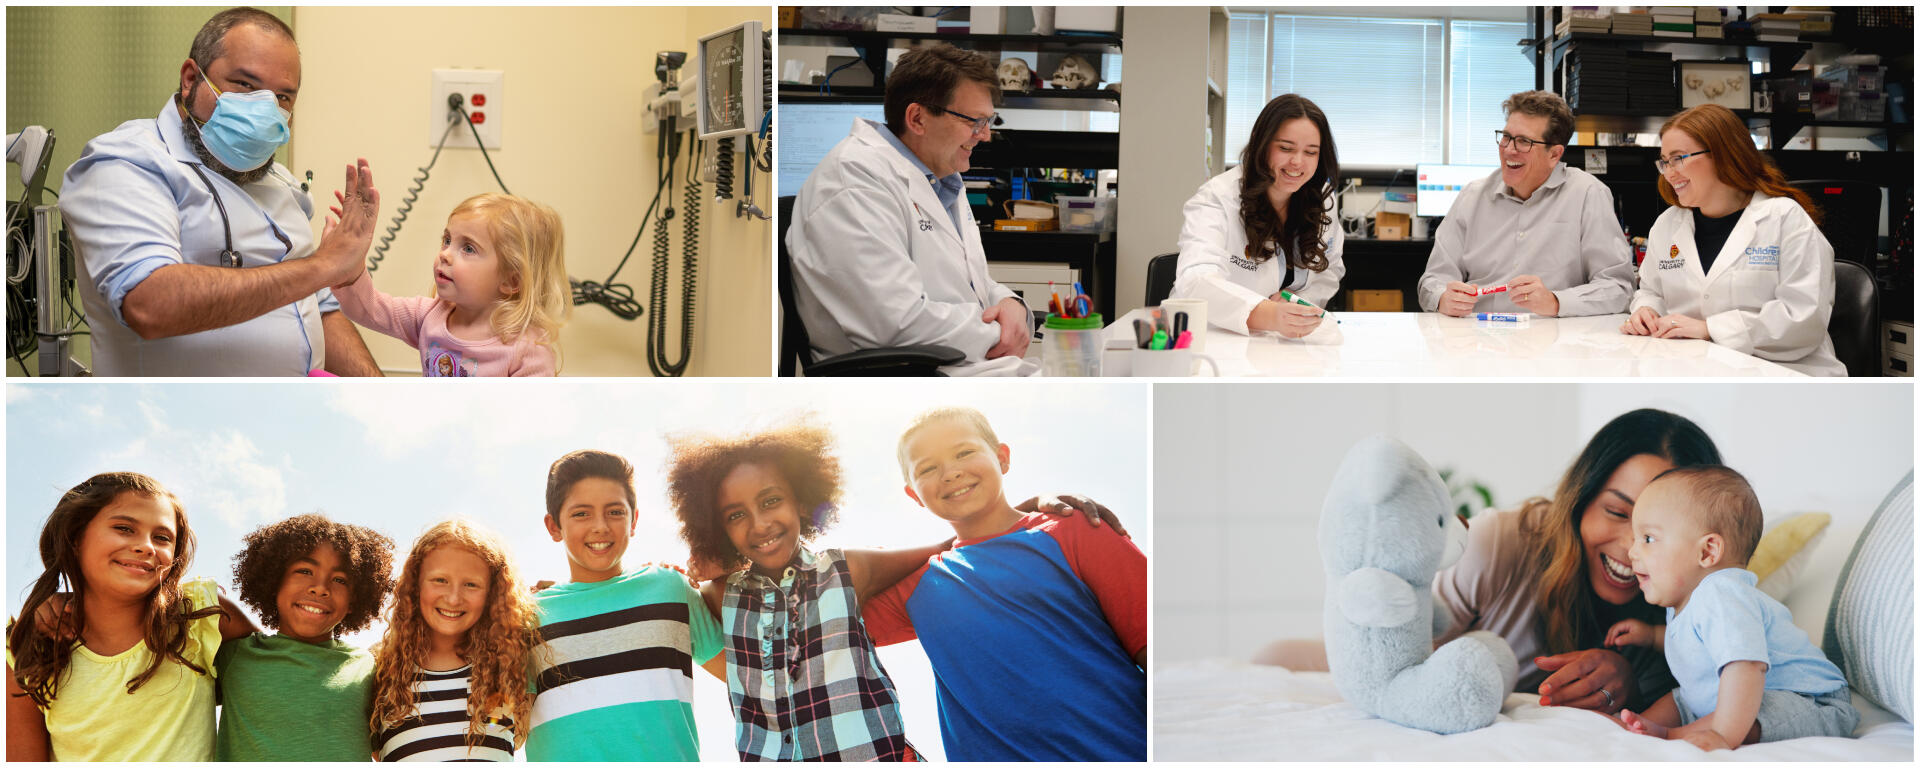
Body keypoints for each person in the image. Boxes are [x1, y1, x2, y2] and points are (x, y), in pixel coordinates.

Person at [665, 417, 1126, 760]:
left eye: (771, 502)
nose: (761, 522)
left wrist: (1026, 511)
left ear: (801, 499)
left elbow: (946, 543)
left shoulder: (847, 570)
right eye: (735, 514)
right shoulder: (718, 598)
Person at [1256, 408, 1723, 717]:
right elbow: (1405, 664)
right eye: (1617, 512)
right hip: (1385, 661)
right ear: (1581, 500)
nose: (1630, 548)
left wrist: (1632, 687)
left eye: (1654, 533)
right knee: (1271, 660)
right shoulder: (1500, 543)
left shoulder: (1703, 610)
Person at [59, 7, 384, 377]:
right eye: (245, 85)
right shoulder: (126, 163)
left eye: (282, 98)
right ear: (190, 78)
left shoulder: (281, 183)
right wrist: (324, 265)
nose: (265, 110)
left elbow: (319, 307)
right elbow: (151, 304)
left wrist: (379, 401)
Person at [862, 407, 1147, 761]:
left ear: (1002, 458)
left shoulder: (1073, 529)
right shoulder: (919, 586)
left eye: (964, 452)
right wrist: (938, 548)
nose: (950, 472)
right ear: (914, 494)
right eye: (927, 468)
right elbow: (800, 592)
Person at [786, 43, 1035, 376]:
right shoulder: (853, 181)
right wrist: (999, 334)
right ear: (918, 118)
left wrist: (1011, 305)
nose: (986, 136)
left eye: (988, 121)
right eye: (975, 121)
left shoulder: (939, 175)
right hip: (910, 379)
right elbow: (896, 323)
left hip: (966, 367)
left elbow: (973, 283)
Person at [4, 473, 252, 761]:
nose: (147, 546)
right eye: (124, 528)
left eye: (162, 538)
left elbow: (283, 665)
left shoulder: (199, 615)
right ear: (75, 538)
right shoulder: (27, 646)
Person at [1609, 466, 1856, 749]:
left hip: (1808, 699)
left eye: (1648, 539)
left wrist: (1724, 735)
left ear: (1707, 551)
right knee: (1684, 698)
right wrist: (1652, 635)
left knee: (1754, 709)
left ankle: (1675, 735)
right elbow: (1701, 646)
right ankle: (1638, 726)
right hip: (1740, 698)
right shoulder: (1689, 600)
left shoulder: (1723, 594)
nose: (1632, 551)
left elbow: (1746, 666)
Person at [524, 450, 724, 761]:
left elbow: (744, 676)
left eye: (615, 511)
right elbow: (507, 725)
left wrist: (723, 570)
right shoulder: (528, 616)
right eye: (581, 514)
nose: (601, 526)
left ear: (634, 520)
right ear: (554, 527)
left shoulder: (669, 588)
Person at [1621, 104, 1843, 376]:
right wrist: (1646, 310)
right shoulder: (1668, 225)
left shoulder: (1785, 219)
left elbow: (1804, 317)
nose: (1669, 173)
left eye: (1678, 158)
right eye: (1665, 161)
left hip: (1785, 375)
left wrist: (1710, 329)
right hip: (1699, 369)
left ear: (1723, 154)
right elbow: (1652, 291)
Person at [1419, 90, 1634, 318]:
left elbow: (1619, 289)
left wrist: (1556, 302)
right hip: (1478, 340)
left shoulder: (1588, 194)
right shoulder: (1471, 197)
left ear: (1554, 154)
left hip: (1555, 343)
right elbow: (1431, 281)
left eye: (1524, 141)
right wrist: (1443, 297)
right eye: (1506, 136)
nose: (1509, 149)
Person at [217, 513, 396, 761]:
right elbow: (206, 602)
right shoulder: (237, 655)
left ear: (355, 600)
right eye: (304, 570)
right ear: (274, 581)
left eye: (339, 580)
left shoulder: (367, 667)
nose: (320, 587)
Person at [332, 194, 570, 376]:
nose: (445, 254)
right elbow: (368, 308)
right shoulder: (430, 315)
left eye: (468, 248)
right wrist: (347, 263)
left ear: (510, 281)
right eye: (446, 240)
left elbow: (535, 414)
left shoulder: (528, 350)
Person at [1173, 93, 1345, 337]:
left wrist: (1298, 301)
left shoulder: (1321, 198)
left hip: (1281, 341)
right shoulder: (1218, 197)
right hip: (1214, 335)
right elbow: (1196, 281)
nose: (1297, 162)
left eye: (1311, 152)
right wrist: (1269, 314)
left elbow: (1330, 270)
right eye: (1286, 148)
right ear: (1261, 142)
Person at [370, 520, 540, 761]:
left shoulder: (507, 666)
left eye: (471, 584)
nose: (453, 598)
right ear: (415, 584)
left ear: (492, 593)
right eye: (440, 580)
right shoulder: (380, 672)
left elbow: (501, 733)